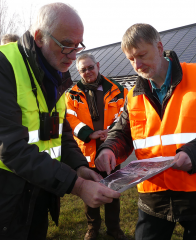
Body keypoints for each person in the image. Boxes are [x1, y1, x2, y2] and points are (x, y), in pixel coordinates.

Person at [0, 3, 120, 240]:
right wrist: (77, 185)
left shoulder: (57, 73)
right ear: (39, 37)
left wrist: (79, 167)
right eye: (66, 46)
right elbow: (11, 147)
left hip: (38, 193)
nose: (73, 55)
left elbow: (61, 131)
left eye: (78, 45)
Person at [95, 23, 196, 240]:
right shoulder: (133, 94)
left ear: (159, 47)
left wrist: (193, 154)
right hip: (154, 197)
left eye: (142, 55)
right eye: (130, 59)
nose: (137, 64)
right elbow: (123, 133)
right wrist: (109, 149)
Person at [66, 53, 128, 240]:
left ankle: (114, 229)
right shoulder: (72, 94)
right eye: (83, 69)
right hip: (87, 151)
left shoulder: (117, 89)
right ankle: (93, 228)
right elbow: (70, 119)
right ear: (78, 71)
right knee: (90, 192)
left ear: (98, 65)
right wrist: (89, 133)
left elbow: (125, 113)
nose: (88, 72)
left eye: (90, 67)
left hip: (112, 150)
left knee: (112, 192)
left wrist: (111, 132)